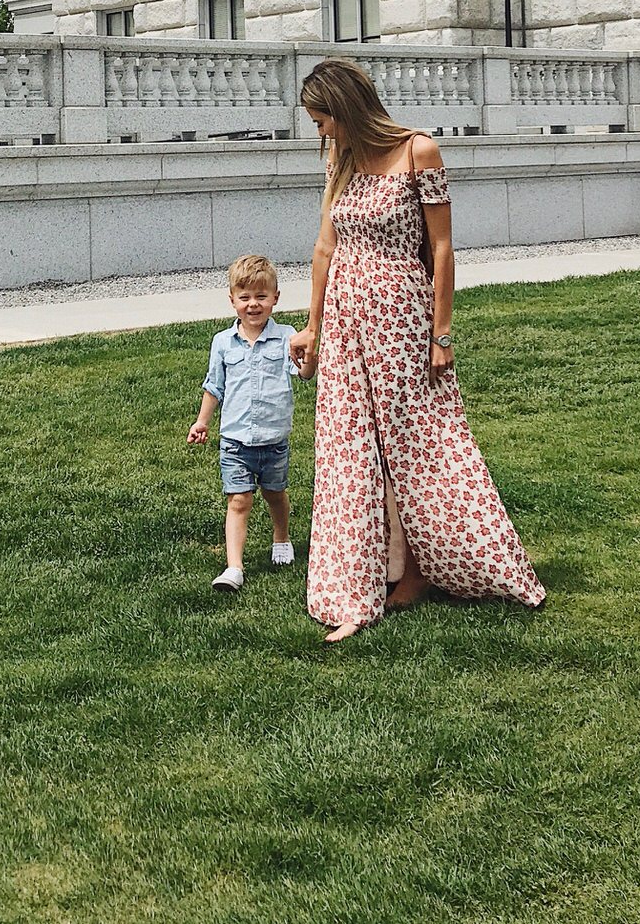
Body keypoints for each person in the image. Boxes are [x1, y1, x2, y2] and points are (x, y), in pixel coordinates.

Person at [288, 58, 545, 642]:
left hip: (402, 316)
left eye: (323, 119)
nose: (321, 132)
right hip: (348, 322)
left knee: (420, 444)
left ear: (347, 108)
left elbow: (445, 248)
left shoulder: (419, 152)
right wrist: (313, 326)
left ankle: (444, 563)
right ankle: (368, 574)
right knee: (351, 448)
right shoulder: (340, 161)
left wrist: (441, 334)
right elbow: (326, 248)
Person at [187, 253, 317, 592]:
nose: (253, 304)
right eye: (245, 297)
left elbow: (302, 375)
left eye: (261, 297)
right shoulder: (222, 343)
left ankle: (281, 537)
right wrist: (202, 422)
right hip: (235, 440)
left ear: (275, 298)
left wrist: (310, 358)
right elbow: (214, 386)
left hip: (274, 440)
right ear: (232, 300)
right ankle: (234, 568)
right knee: (239, 500)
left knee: (275, 494)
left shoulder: (287, 337)